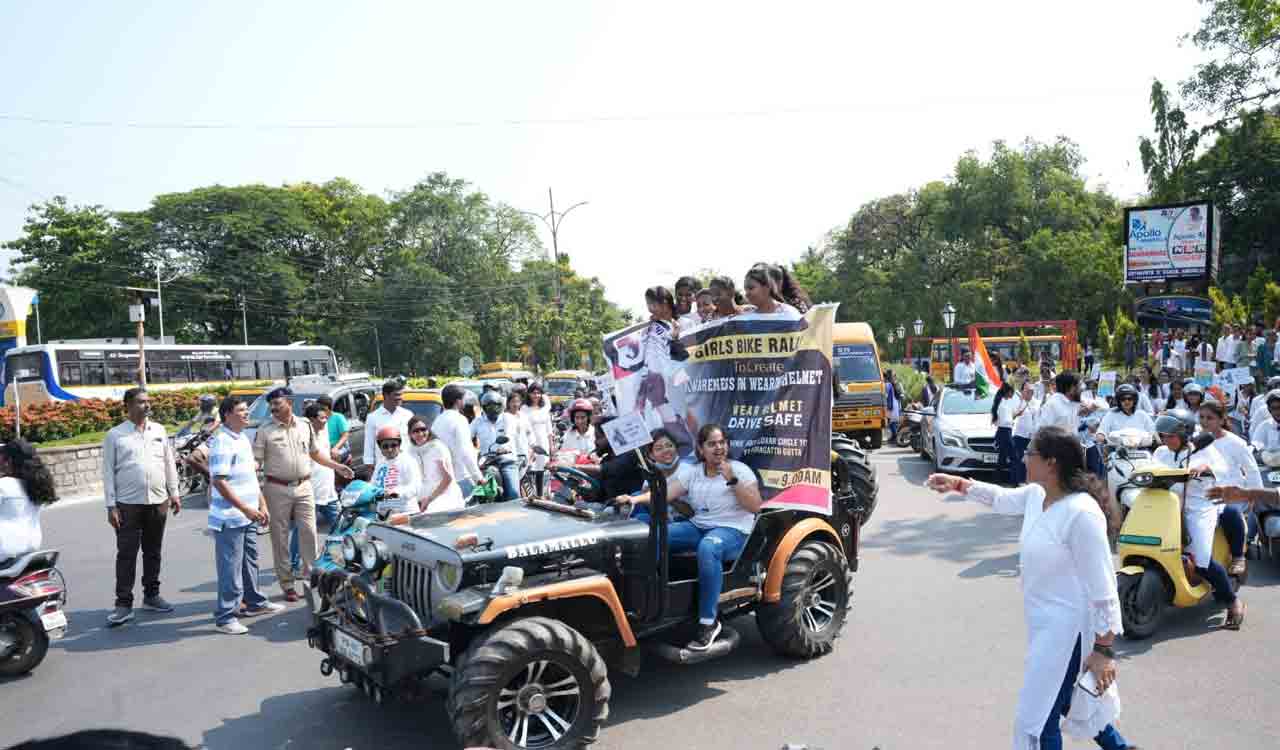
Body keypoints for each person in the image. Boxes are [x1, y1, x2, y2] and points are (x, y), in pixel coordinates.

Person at [927, 426, 1131, 750]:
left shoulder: (1081, 513)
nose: (1023, 458)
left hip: (1068, 633)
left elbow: (1103, 588)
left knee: (1036, 720)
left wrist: (1104, 651)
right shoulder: (1038, 495)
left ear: (1051, 463)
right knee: (1066, 700)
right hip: (1044, 624)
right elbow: (1001, 499)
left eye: (1029, 453)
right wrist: (959, 484)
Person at [627, 424, 763, 651]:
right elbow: (663, 494)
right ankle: (650, 602)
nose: (718, 448)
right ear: (700, 449)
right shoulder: (693, 472)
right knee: (653, 535)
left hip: (734, 529)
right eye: (712, 444)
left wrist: (732, 480)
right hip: (699, 525)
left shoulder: (740, 469)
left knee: (708, 548)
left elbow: (755, 506)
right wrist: (633, 500)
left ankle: (709, 623)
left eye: (722, 443)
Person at [253, 387, 353, 602]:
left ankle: (311, 578)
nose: (273, 408)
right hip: (276, 488)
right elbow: (256, 461)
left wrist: (337, 467)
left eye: (277, 403)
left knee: (309, 532)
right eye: (271, 405)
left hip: (304, 487)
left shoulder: (305, 425)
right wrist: (243, 476)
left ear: (289, 402)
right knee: (279, 536)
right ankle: (287, 584)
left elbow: (315, 454)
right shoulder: (265, 430)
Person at [1151, 410, 1247, 629]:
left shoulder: (1203, 449)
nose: (1166, 440)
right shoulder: (1161, 452)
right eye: (1163, 435)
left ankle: (1232, 601)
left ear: (1184, 434)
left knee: (1201, 559)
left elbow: (1223, 468)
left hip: (1200, 506)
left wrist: (1206, 467)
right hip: (1167, 506)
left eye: (1171, 436)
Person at [102, 387, 181, 626]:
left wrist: (174, 493)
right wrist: (111, 506)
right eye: (140, 402)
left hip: (158, 501)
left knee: (153, 551)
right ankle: (123, 604)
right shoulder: (115, 435)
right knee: (127, 554)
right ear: (127, 405)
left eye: (148, 401)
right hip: (127, 505)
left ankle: (151, 596)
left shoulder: (159, 430)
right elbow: (107, 472)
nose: (146, 405)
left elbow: (169, 463)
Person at [206, 397, 283, 635]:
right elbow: (219, 481)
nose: (246, 414)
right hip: (230, 517)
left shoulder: (242, 439)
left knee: (250, 561)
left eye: (246, 410)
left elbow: (251, 478)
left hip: (249, 514)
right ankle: (225, 617)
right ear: (227, 415)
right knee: (230, 568)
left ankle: (255, 602)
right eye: (241, 411)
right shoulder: (222, 441)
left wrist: (262, 505)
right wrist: (244, 508)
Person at [1198, 399, 1260, 578]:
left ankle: (1238, 556)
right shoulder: (1196, 440)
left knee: (1230, 513)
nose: (1204, 422)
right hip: (1202, 492)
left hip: (1232, 493)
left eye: (1209, 418)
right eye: (1201, 417)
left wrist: (1254, 496)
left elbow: (1251, 470)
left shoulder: (1235, 442)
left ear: (1221, 419)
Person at [0, 440, 57, 566]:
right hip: (32, 547)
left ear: (9, 461)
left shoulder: (4, 485)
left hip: (6, 551)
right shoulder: (35, 484)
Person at [431, 385, 483, 497]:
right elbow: (465, 452)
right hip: (462, 477)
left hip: (443, 479)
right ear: (458, 401)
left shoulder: (437, 421)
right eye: (463, 399)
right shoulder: (459, 419)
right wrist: (478, 478)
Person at [406, 416, 465, 512]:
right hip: (423, 498)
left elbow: (447, 479)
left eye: (423, 429)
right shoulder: (411, 451)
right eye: (415, 431)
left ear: (428, 430)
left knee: (428, 513)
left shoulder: (437, 447)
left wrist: (429, 499)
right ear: (410, 434)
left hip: (444, 496)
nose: (420, 434)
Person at [471, 390, 521, 500]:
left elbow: (509, 433)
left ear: (501, 406)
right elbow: (467, 437)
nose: (492, 408)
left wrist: (504, 447)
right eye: (489, 406)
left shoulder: (508, 418)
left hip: (507, 461)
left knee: (513, 494)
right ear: (484, 407)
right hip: (488, 462)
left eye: (495, 405)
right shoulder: (478, 421)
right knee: (482, 493)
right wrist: (471, 451)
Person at [369, 425, 422, 521]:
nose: (389, 449)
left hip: (406, 511)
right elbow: (373, 485)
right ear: (380, 447)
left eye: (393, 445)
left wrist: (397, 492)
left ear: (399, 445)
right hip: (385, 513)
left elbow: (416, 486)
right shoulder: (380, 463)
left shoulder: (408, 461)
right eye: (385, 446)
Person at [1093, 385, 1156, 458]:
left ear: (1134, 400)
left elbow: (1153, 431)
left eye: (1130, 399)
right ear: (1118, 400)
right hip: (1117, 452)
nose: (1126, 401)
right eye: (1123, 399)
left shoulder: (1142, 414)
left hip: (1142, 452)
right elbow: (1102, 430)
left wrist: (1156, 439)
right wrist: (1101, 437)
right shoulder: (1111, 414)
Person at [363, 380, 414, 468]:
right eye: (397, 395)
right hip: (384, 467)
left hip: (406, 465)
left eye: (401, 395)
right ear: (386, 395)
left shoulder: (408, 415)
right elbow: (369, 445)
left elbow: (413, 441)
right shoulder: (372, 417)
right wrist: (370, 466)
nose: (401, 398)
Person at [521, 382, 553, 495]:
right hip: (530, 442)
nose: (536, 395)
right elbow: (524, 428)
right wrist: (530, 447)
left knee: (541, 469)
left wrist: (551, 446)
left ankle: (540, 495)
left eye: (538, 393)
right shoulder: (524, 409)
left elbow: (549, 429)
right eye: (533, 393)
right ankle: (530, 495)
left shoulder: (544, 408)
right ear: (529, 394)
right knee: (530, 469)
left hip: (543, 441)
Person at [1010, 380, 1040, 486]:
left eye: (1032, 391)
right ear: (1022, 391)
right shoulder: (1017, 402)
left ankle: (1027, 481)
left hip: (1032, 436)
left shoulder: (1036, 403)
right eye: (1027, 391)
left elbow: (1038, 418)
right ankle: (1016, 481)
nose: (1030, 393)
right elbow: (1012, 416)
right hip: (1019, 435)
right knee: (1018, 459)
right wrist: (1022, 404)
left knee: (1029, 460)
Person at [991, 381, 1019, 485]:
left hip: (1004, 431)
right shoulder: (1003, 404)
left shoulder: (1003, 402)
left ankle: (997, 479)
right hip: (1005, 432)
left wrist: (1014, 416)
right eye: (1012, 392)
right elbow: (1006, 421)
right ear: (1007, 392)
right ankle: (1014, 481)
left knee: (1002, 458)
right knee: (1014, 457)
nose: (1013, 395)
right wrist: (1013, 419)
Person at [315, 395, 350, 462]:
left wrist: (336, 448)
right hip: (324, 448)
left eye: (322, 408)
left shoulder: (338, 417)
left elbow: (345, 435)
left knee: (333, 456)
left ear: (327, 407)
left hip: (339, 448)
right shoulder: (317, 419)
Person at [884, 370, 903, 445]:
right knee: (893, 422)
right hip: (895, 404)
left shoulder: (888, 384)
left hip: (891, 405)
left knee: (891, 422)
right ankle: (894, 437)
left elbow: (886, 395)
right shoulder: (895, 383)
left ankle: (896, 437)